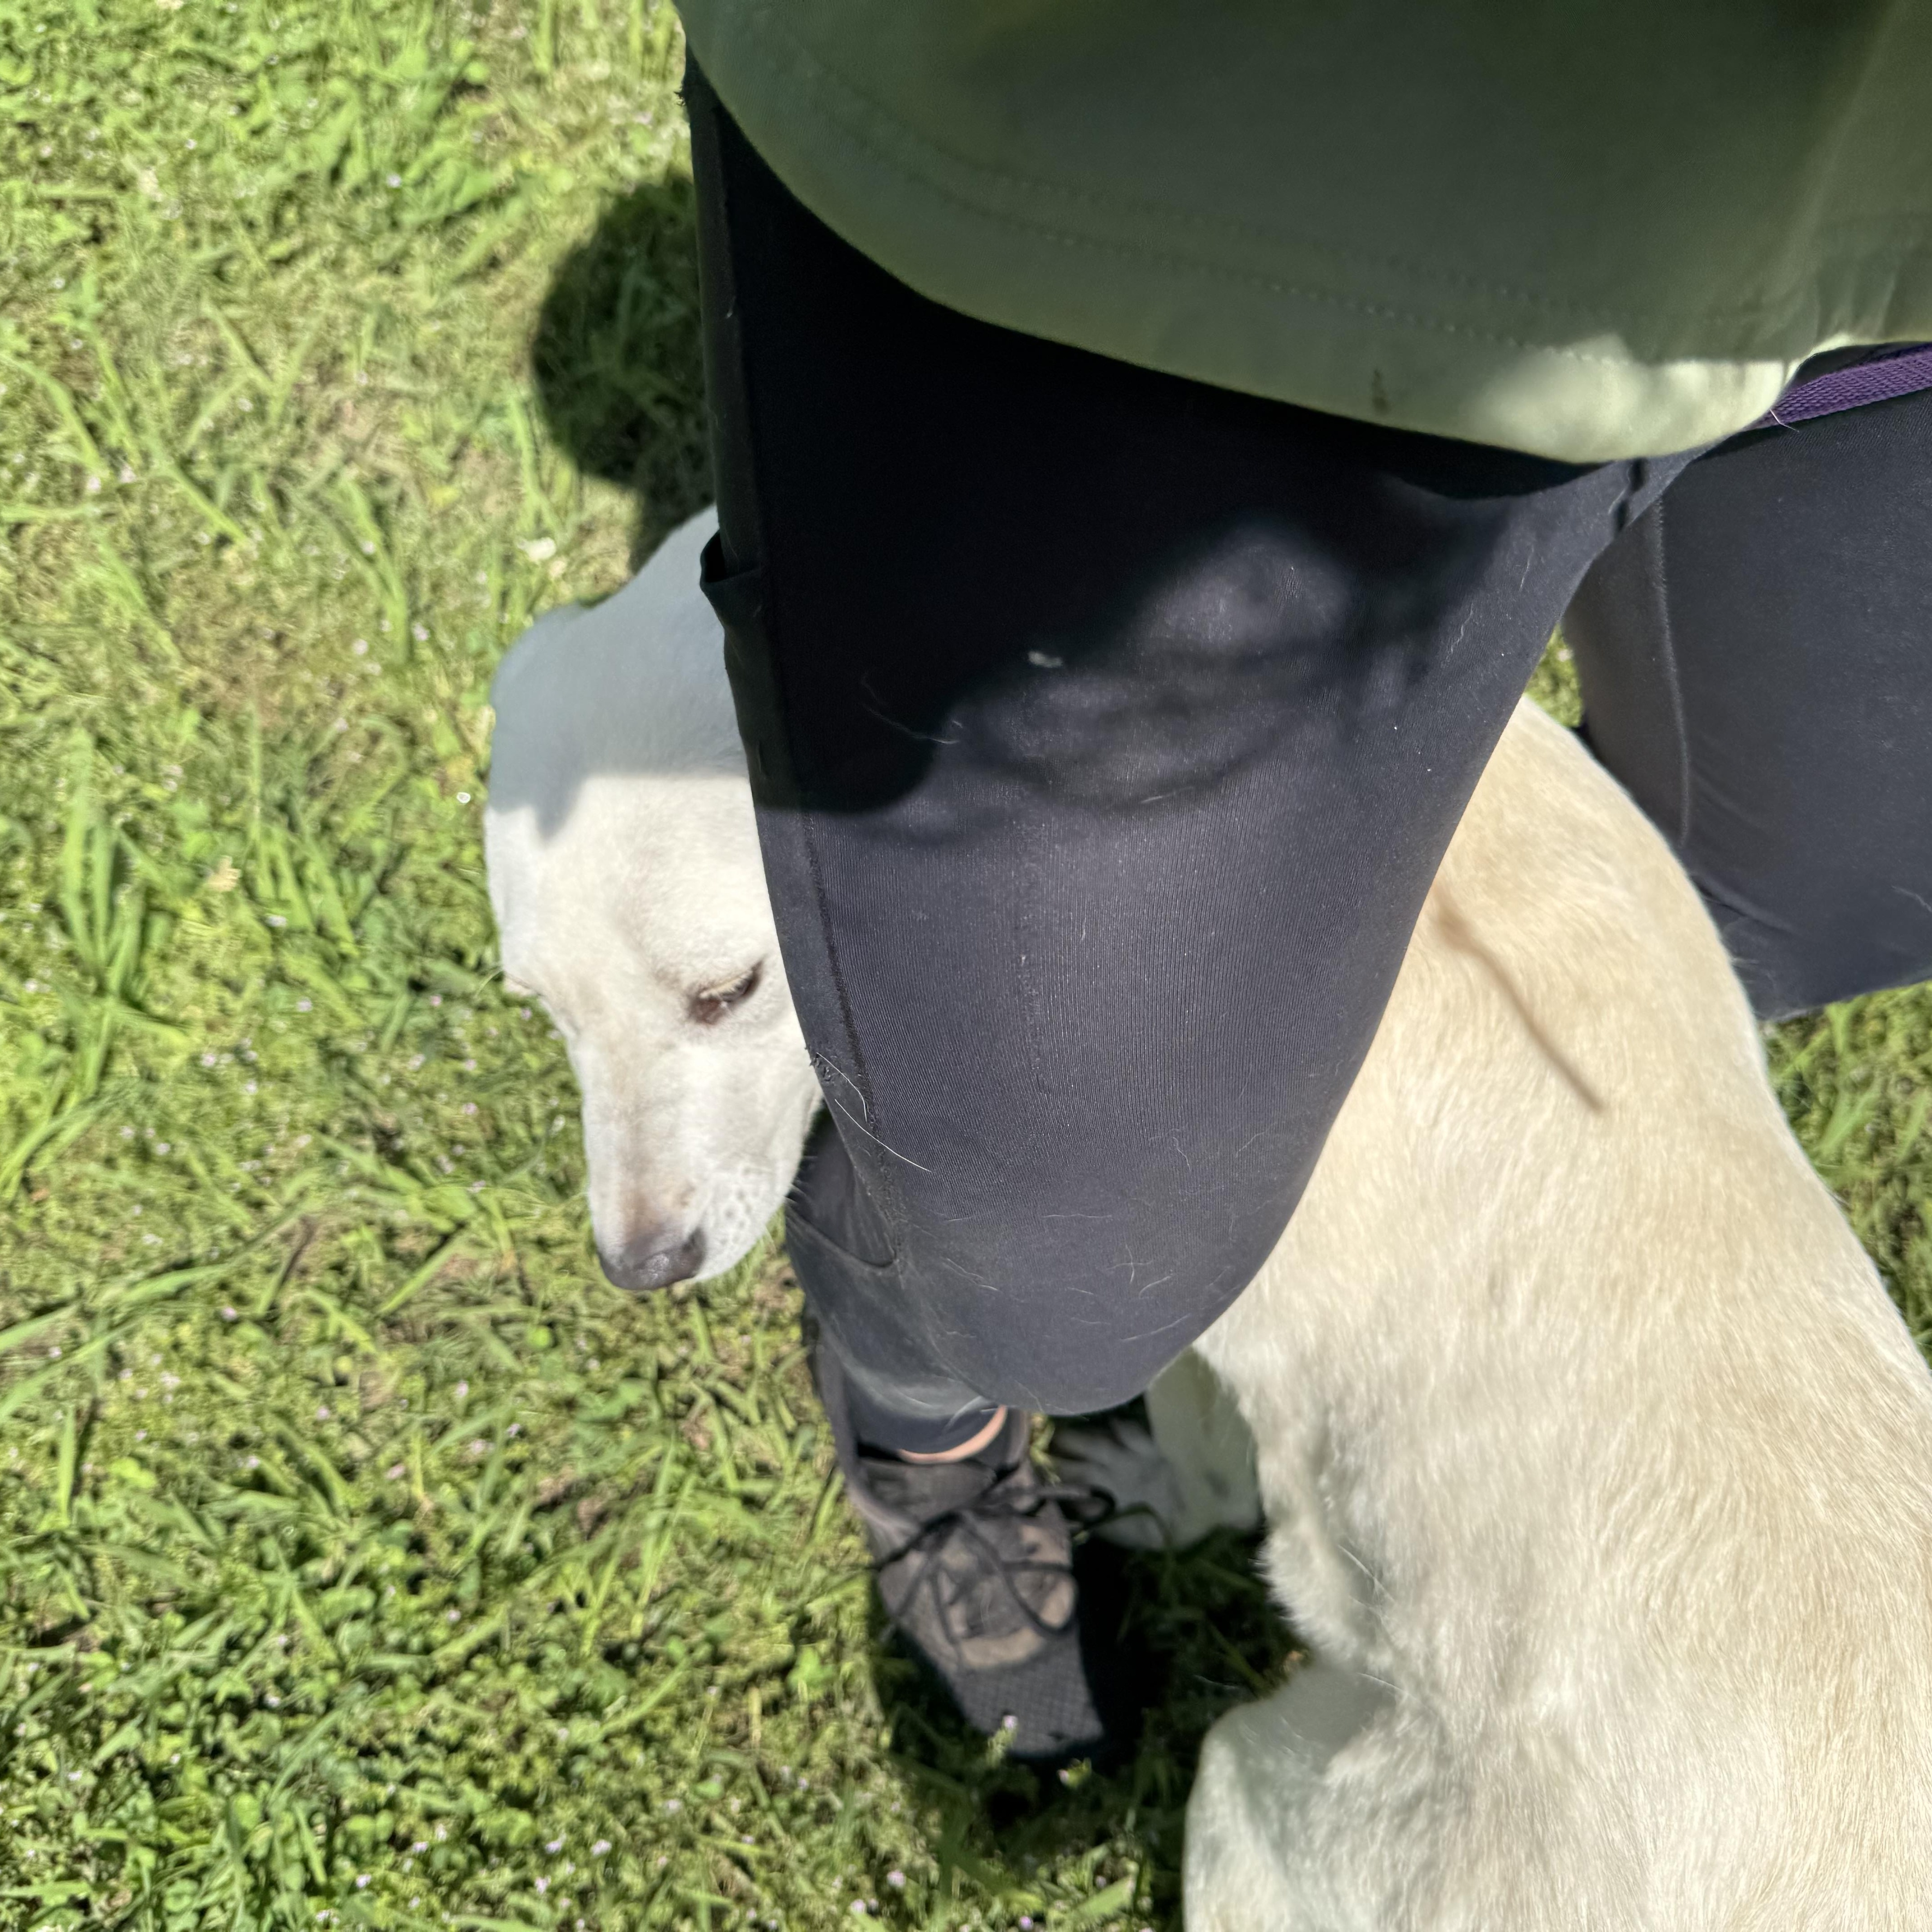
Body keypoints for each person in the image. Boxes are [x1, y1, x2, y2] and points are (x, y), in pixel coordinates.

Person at [673, 6, 1932, 1757]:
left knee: (1804, 905)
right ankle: (926, 1430)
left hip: (1884, 244)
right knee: (1054, 1275)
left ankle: (1288, 1054)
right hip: (1209, 181)